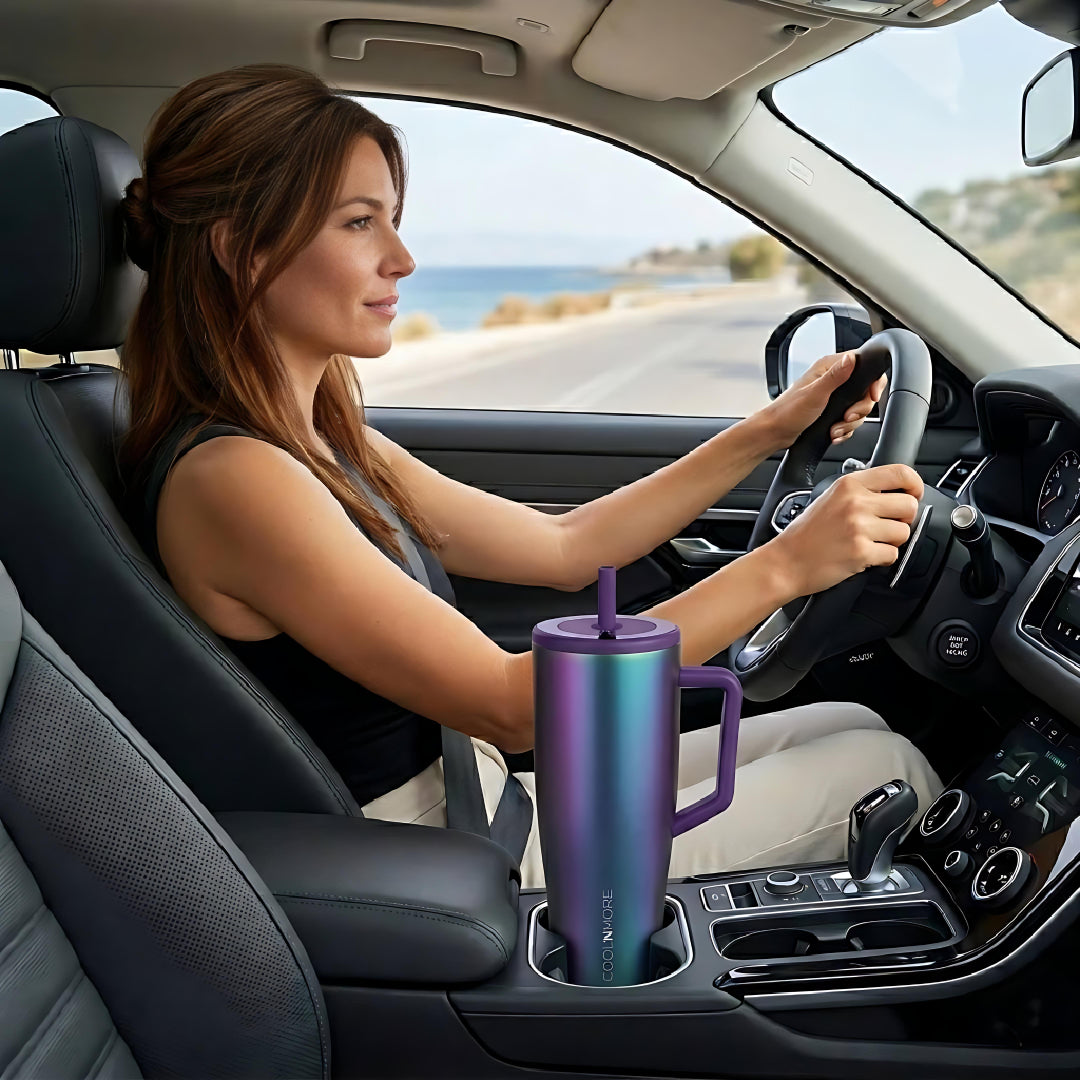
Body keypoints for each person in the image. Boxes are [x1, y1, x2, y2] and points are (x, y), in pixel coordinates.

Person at [118, 64, 941, 890]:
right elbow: (513, 705)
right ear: (237, 249)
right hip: (453, 854)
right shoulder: (235, 477)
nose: (402, 258)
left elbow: (566, 547)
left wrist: (769, 430)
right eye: (360, 223)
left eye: (392, 220)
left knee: (849, 722)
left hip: (483, 799)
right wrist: (788, 565)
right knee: (886, 764)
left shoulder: (324, 441)